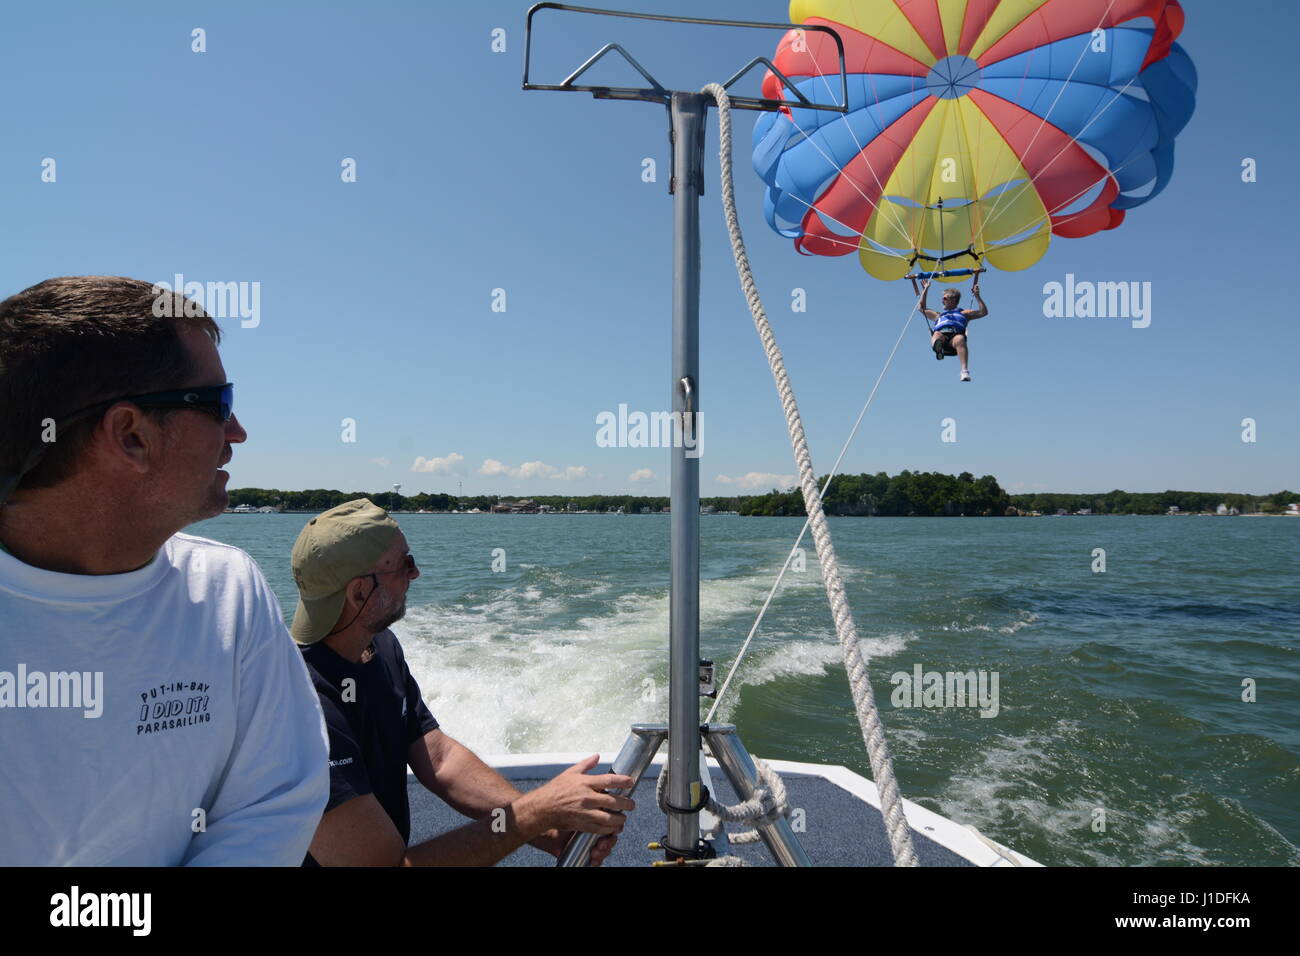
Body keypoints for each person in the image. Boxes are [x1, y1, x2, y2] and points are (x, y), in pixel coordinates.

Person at [0, 276, 329, 865]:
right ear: (131, 435)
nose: (238, 433)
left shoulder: (229, 591)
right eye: (219, 405)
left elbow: (273, 803)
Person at [291, 499, 635, 866]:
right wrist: (536, 812)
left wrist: (548, 832)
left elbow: (438, 758)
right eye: (405, 564)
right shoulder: (300, 706)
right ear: (359, 592)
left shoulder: (379, 646)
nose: (415, 574)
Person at [919, 279, 988, 382]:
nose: (942, 300)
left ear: (953, 300)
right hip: (942, 337)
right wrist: (925, 289)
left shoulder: (964, 313)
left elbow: (983, 312)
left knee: (960, 338)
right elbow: (921, 308)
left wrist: (977, 296)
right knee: (937, 334)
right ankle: (939, 348)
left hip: (954, 340)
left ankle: (964, 371)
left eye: (945, 298)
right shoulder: (938, 315)